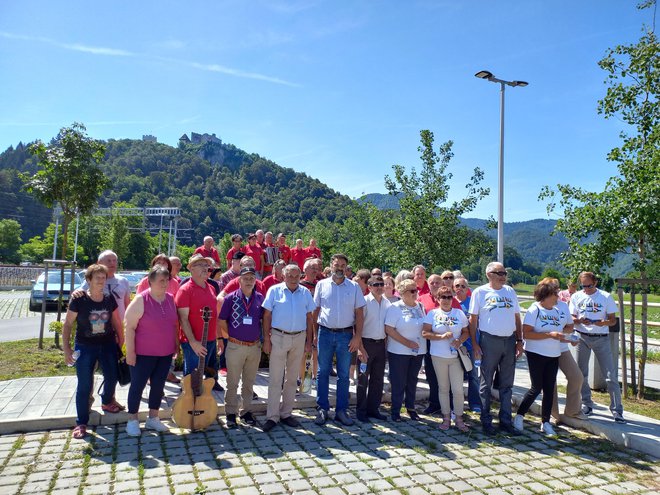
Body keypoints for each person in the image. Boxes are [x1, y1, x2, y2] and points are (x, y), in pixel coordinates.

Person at [63, 264, 124, 439]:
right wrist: (67, 348)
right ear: (88, 280)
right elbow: (67, 325)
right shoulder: (79, 299)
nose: (100, 281)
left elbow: (116, 321)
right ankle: (81, 422)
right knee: (84, 384)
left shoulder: (108, 298)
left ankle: (106, 402)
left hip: (107, 344)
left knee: (112, 376)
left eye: (103, 278)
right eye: (97, 278)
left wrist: (121, 340)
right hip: (85, 346)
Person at [513, 279, 574, 436]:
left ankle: (545, 422)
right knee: (536, 388)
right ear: (546, 295)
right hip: (536, 354)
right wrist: (550, 334)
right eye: (555, 294)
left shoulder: (556, 311)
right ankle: (519, 416)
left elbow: (560, 332)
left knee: (549, 389)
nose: (557, 297)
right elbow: (526, 333)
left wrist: (568, 339)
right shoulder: (535, 309)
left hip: (553, 354)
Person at [469, 262, 523, 436]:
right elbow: (473, 320)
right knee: (486, 383)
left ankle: (506, 421)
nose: (503, 275)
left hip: (509, 340)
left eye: (504, 272)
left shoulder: (510, 292)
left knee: (507, 384)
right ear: (489, 274)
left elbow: (517, 317)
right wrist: (475, 344)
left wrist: (519, 340)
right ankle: (486, 420)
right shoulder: (480, 292)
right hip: (488, 340)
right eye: (499, 272)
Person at [261, 264, 316, 432]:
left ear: (300, 276)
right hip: (278, 336)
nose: (293, 279)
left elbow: (309, 318)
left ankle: (286, 413)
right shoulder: (274, 290)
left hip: (299, 338)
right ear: (283, 276)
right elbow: (267, 316)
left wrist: (309, 341)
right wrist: (266, 339)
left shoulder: (305, 293)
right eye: (289, 276)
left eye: (296, 276)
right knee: (275, 378)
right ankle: (272, 416)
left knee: (292, 379)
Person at [124, 266, 178, 436]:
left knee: (158, 385)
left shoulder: (170, 298)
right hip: (143, 354)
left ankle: (153, 418)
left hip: (165, 353)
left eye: (167, 279)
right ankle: (132, 420)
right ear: (150, 281)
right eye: (161, 280)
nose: (165, 283)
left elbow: (173, 325)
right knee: (138, 386)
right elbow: (129, 327)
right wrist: (130, 352)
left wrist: (175, 345)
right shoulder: (141, 300)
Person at [314, 254, 366, 426]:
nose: (340, 268)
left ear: (347, 267)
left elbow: (359, 313)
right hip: (325, 333)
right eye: (337, 264)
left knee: (343, 375)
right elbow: (316, 311)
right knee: (322, 372)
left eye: (343, 265)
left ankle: (341, 411)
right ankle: (322, 408)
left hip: (346, 335)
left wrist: (357, 337)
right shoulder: (321, 285)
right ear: (331, 265)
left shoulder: (354, 287)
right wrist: (314, 334)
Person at [570, 271, 624, 423]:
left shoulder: (605, 297)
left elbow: (613, 320)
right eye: (583, 285)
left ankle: (617, 410)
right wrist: (579, 320)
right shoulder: (576, 296)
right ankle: (587, 404)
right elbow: (571, 317)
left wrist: (603, 323)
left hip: (601, 338)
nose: (586, 288)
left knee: (610, 375)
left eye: (589, 285)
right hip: (582, 336)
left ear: (595, 283)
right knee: (581, 373)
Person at [219, 267, 264, 427]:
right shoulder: (230, 298)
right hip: (236, 346)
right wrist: (228, 336)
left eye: (252, 278)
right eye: (245, 278)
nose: (249, 281)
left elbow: (263, 321)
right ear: (239, 280)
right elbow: (222, 320)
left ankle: (246, 411)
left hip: (254, 347)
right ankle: (230, 413)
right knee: (232, 382)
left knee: (249, 382)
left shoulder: (259, 298)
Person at [422, 286, 470, 432]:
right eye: (443, 297)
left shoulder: (459, 313)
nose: (447, 300)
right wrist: (440, 337)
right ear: (438, 299)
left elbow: (466, 332)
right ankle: (446, 418)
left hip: (455, 356)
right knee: (443, 388)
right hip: (438, 356)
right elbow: (425, 333)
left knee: (457, 389)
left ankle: (459, 418)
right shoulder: (433, 314)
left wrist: (459, 341)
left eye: (449, 297)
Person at [175, 254, 224, 390]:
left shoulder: (211, 288)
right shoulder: (185, 290)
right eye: (200, 265)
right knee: (192, 376)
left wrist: (218, 337)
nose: (205, 268)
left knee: (211, 368)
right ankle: (189, 399)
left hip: (210, 338)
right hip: (193, 342)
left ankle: (211, 386)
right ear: (191, 269)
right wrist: (193, 342)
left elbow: (215, 315)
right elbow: (183, 319)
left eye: (206, 265)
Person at [385, 278, 426, 422]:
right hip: (399, 351)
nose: (415, 293)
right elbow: (389, 329)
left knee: (412, 380)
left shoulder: (420, 306)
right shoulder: (395, 307)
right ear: (402, 292)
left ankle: (411, 408)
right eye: (412, 290)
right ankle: (395, 410)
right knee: (398, 381)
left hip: (418, 351)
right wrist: (407, 343)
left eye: (416, 290)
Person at [552, 278, 587, 422]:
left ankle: (572, 411)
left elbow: (570, 325)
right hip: (544, 349)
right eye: (552, 288)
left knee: (576, 377)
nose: (556, 291)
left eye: (557, 288)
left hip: (562, 347)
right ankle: (552, 413)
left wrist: (566, 336)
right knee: (549, 381)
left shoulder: (562, 306)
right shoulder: (537, 306)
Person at [357, 276, 391, 422]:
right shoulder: (363, 302)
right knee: (362, 379)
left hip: (380, 345)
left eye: (381, 284)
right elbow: (356, 326)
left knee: (377, 380)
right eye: (375, 284)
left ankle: (373, 409)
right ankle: (361, 411)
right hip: (365, 344)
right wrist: (360, 348)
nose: (379, 287)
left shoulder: (387, 303)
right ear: (369, 287)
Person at [418, 274, 444, 415]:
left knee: (446, 375)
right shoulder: (421, 300)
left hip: (446, 342)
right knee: (431, 375)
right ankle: (434, 403)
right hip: (428, 342)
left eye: (437, 282)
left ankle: (448, 404)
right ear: (428, 284)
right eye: (432, 282)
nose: (435, 284)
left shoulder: (448, 298)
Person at [454, 277, 480, 412]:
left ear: (467, 288)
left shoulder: (472, 304)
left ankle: (475, 403)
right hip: (453, 347)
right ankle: (456, 404)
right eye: (457, 286)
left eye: (463, 286)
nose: (460, 288)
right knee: (455, 376)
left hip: (471, 346)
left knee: (474, 376)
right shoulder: (450, 302)